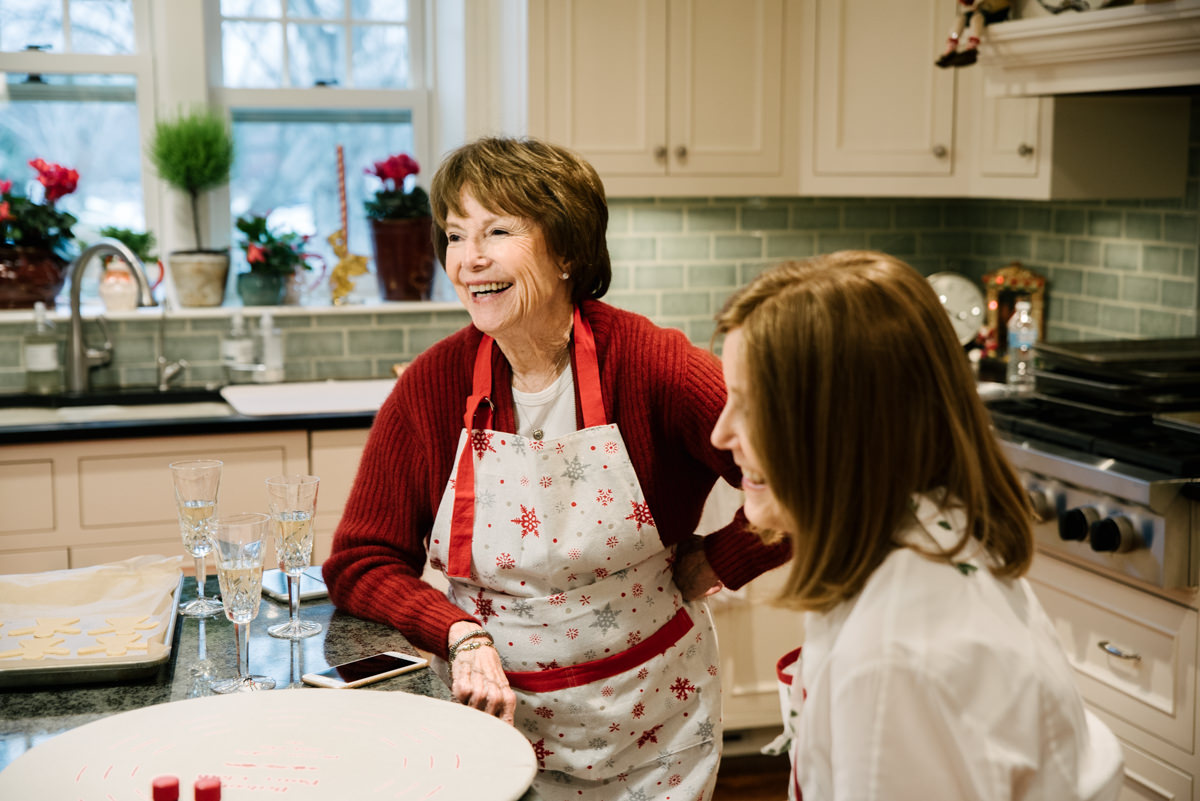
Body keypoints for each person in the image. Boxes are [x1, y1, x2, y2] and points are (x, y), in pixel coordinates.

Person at [323, 135, 790, 801]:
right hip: (497, 726)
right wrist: (459, 632)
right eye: (455, 235)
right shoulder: (431, 387)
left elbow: (817, 479)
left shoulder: (655, 367)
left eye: (497, 230)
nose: (469, 258)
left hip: (653, 729)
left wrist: (723, 558)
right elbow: (359, 559)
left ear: (568, 249)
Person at [709, 252, 1124, 801]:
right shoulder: (933, 533)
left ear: (841, 429)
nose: (721, 433)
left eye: (749, 404)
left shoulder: (889, 667)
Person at [935, 0, 1012, 68]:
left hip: (996, 11)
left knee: (976, 19)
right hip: (983, 9)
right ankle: (952, 44)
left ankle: (973, 44)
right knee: (961, 18)